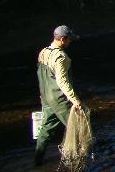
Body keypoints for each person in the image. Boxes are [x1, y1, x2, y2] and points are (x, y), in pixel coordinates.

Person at [34, 25, 82, 166]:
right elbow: (62, 81)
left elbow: (40, 75)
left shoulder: (43, 52)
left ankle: (38, 161)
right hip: (60, 99)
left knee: (46, 129)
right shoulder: (60, 57)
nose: (70, 42)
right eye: (69, 40)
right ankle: (75, 161)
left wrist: (42, 94)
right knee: (76, 127)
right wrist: (75, 100)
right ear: (62, 40)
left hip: (46, 97)